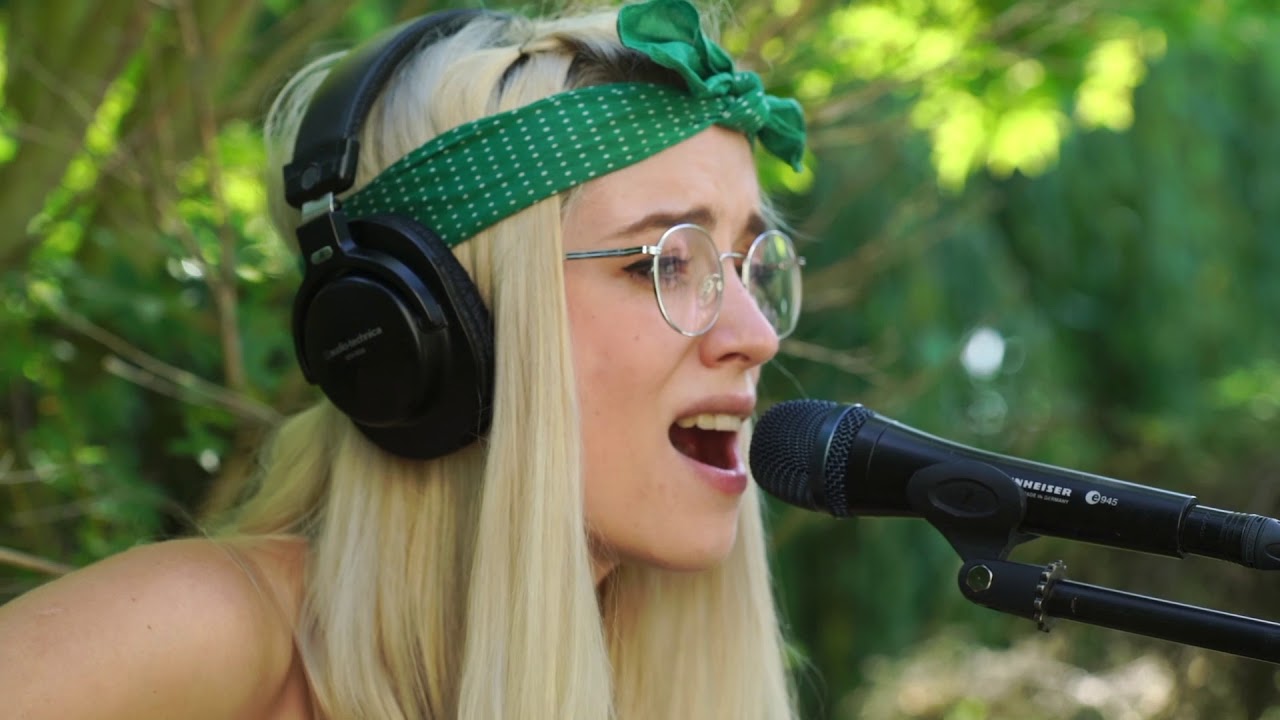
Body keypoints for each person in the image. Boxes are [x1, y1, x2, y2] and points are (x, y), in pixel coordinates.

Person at [0, 0, 807, 717]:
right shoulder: (199, 631)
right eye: (665, 263)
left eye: (746, 265)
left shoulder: (653, 689)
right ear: (434, 331)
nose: (756, 335)